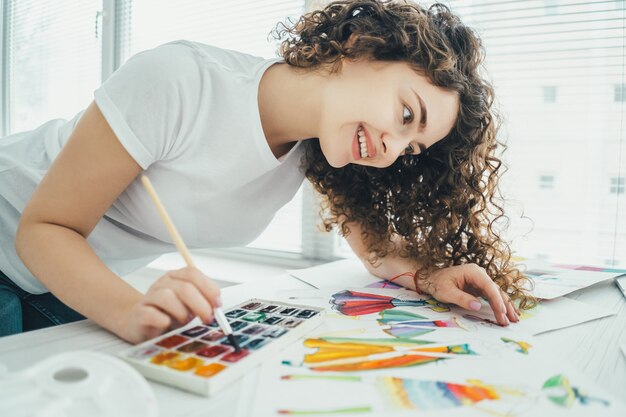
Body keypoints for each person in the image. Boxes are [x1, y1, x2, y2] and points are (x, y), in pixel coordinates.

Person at [0, 0, 532, 343]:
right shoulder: (180, 80)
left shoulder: (314, 152)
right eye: (406, 114)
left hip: (56, 287)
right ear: (362, 47)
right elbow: (44, 230)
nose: (393, 151)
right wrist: (130, 310)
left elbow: (374, 250)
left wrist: (429, 276)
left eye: (412, 150)